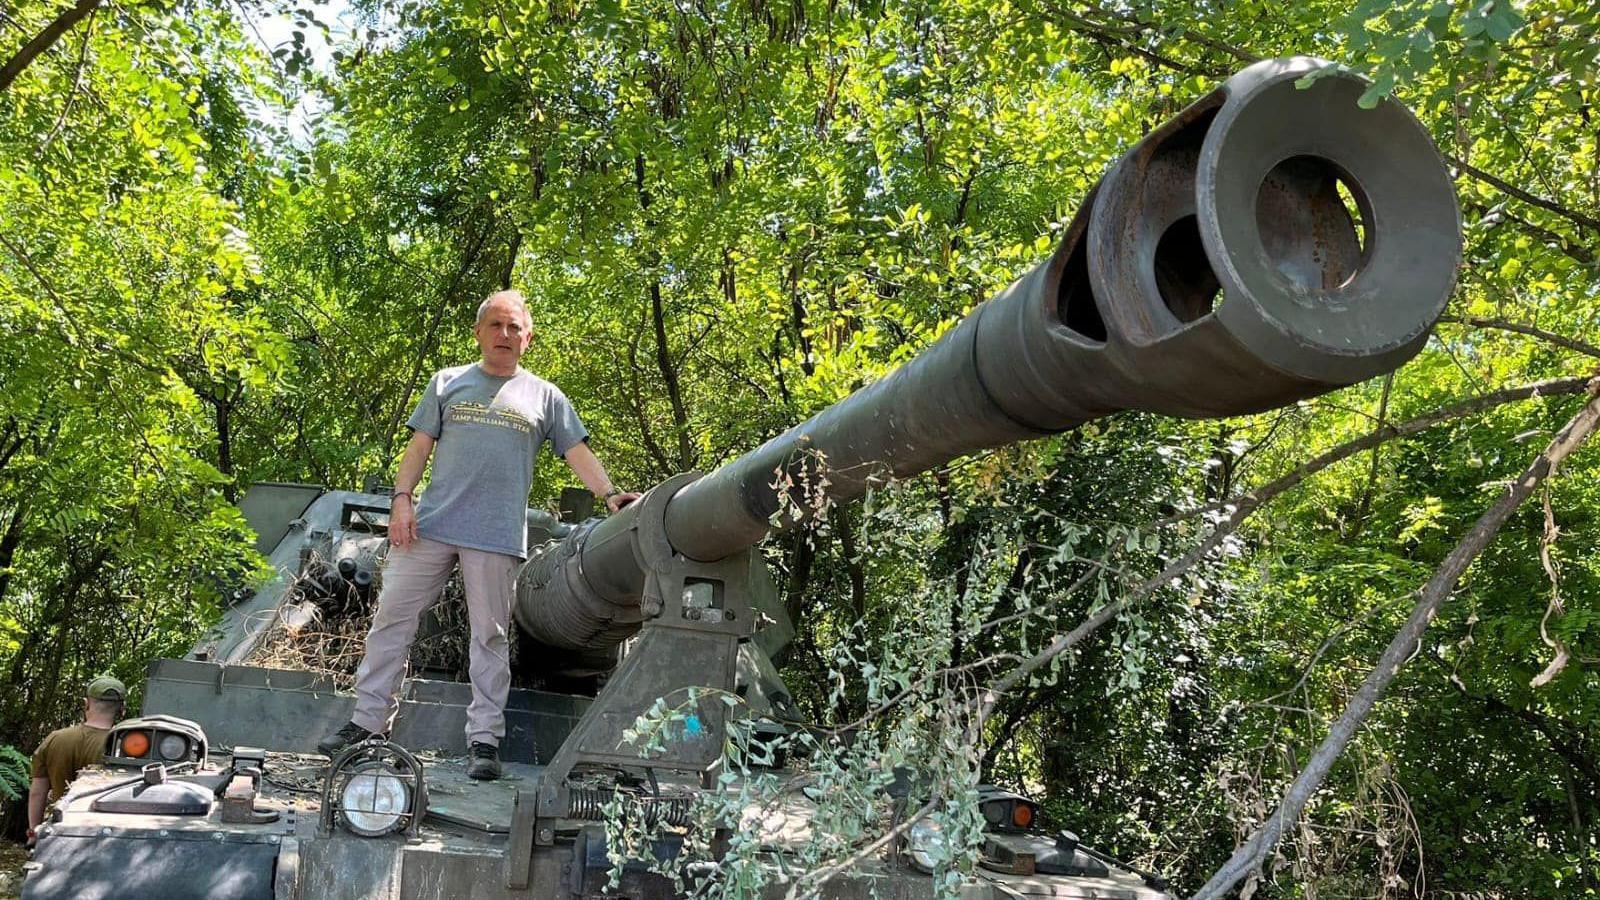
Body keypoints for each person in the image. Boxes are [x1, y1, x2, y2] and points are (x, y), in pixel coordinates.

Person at [317, 290, 639, 780]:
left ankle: (484, 741)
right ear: (479, 333)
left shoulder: (545, 397)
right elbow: (419, 446)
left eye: (514, 328)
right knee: (391, 624)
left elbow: (575, 450)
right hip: (432, 525)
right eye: (496, 325)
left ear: (528, 338)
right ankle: (368, 726)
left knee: (489, 638)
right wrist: (401, 500)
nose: (504, 335)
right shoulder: (448, 383)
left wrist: (611, 493)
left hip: (495, 535)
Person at [27, 676, 126, 846]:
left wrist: (33, 833)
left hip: (59, 831)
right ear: (122, 709)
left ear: (85, 704)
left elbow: (37, 792)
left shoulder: (55, 739)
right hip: (103, 836)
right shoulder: (123, 746)